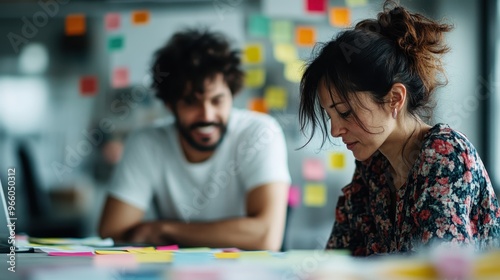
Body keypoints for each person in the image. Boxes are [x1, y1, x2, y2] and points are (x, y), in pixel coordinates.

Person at [299, 1, 500, 256]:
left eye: (345, 112)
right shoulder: (373, 164)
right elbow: (338, 258)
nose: (335, 131)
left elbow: (443, 271)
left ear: (395, 98)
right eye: (330, 116)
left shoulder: (444, 154)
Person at [99, 28, 291, 251]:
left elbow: (266, 238)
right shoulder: (147, 142)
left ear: (232, 96)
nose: (207, 115)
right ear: (171, 105)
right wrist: (237, 233)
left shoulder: (260, 133)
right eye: (191, 102)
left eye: (217, 101)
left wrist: (163, 230)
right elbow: (113, 231)